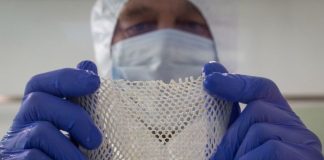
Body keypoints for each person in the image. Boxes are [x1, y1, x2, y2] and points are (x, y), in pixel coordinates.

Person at [0, 0, 323, 159]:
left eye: (189, 25)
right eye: (140, 26)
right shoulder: (57, 147)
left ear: (222, 44)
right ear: (106, 46)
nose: (165, 43)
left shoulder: (275, 144)